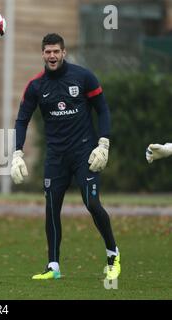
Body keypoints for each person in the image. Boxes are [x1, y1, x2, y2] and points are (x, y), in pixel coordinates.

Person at [11, 33, 120, 281]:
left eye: (56, 51)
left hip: (85, 152)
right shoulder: (36, 86)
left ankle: (113, 253)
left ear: (64, 53)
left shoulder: (83, 77)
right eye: (47, 52)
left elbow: (102, 109)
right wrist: (17, 153)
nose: (52, 56)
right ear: (42, 54)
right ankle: (53, 266)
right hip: (56, 156)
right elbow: (21, 120)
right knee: (51, 209)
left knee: (92, 204)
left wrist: (103, 143)